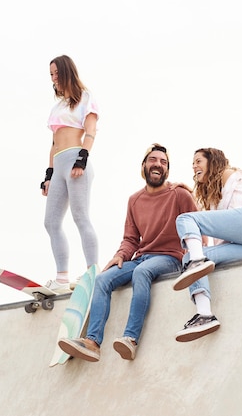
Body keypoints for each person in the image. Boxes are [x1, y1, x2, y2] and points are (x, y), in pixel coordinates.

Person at [58, 143, 198, 361]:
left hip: (171, 257)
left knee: (142, 272)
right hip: (142, 257)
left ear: (167, 170)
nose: (158, 165)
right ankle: (92, 342)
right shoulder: (135, 200)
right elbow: (131, 239)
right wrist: (121, 255)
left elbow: (197, 229)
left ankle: (130, 339)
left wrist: (197, 260)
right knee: (103, 280)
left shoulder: (179, 195)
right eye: (153, 160)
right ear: (143, 166)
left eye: (163, 162)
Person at [172, 147, 242, 342]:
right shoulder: (213, 198)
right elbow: (218, 222)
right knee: (188, 258)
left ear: (212, 162)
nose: (194, 166)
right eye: (192, 164)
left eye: (198, 161)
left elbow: (233, 214)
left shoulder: (228, 174)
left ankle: (197, 261)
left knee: (185, 219)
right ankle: (205, 315)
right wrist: (189, 191)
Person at [41, 55, 99, 293]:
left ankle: (92, 273)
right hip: (60, 163)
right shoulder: (57, 107)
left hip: (77, 160)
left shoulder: (85, 98)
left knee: (80, 217)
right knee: (51, 222)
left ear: (66, 72)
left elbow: (91, 131)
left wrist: (82, 159)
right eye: (51, 75)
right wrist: (48, 174)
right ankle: (62, 278)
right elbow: (54, 143)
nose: (54, 78)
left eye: (56, 73)